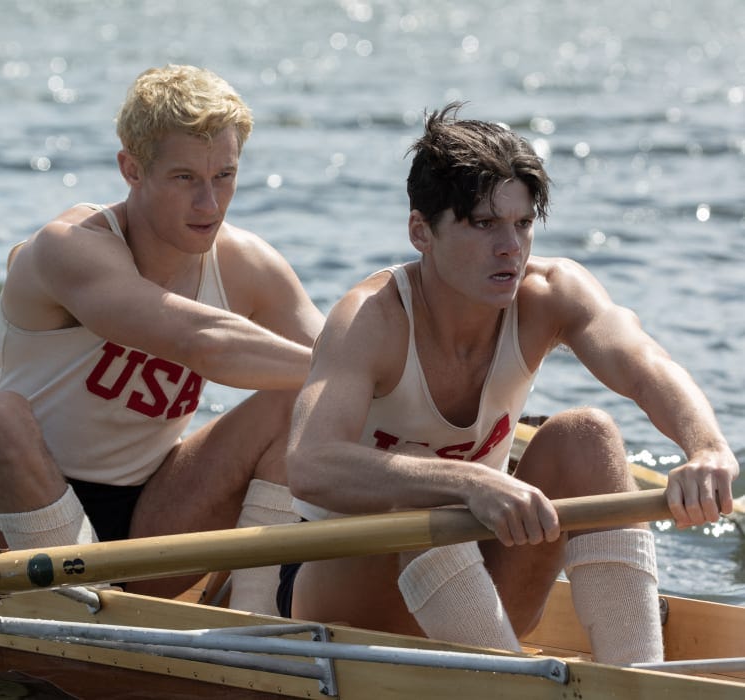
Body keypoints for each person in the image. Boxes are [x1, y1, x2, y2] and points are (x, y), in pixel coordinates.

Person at [282, 104, 739, 664]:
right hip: (344, 597)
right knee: (409, 483)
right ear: (420, 231)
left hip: (480, 589)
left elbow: (646, 363)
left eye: (522, 224)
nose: (510, 248)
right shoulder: (370, 320)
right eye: (484, 224)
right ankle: (513, 684)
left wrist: (708, 448)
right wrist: (467, 481)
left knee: (586, 435)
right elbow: (309, 464)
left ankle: (639, 678)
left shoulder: (550, 292)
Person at [0, 64, 324, 614]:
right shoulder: (67, 247)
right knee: (0, 417)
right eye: (185, 178)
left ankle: (257, 629)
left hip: (145, 518)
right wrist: (350, 373)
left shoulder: (249, 265)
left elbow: (342, 363)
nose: (209, 205)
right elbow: (201, 341)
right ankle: (80, 613)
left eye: (225, 176)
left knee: (296, 401)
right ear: (131, 168)